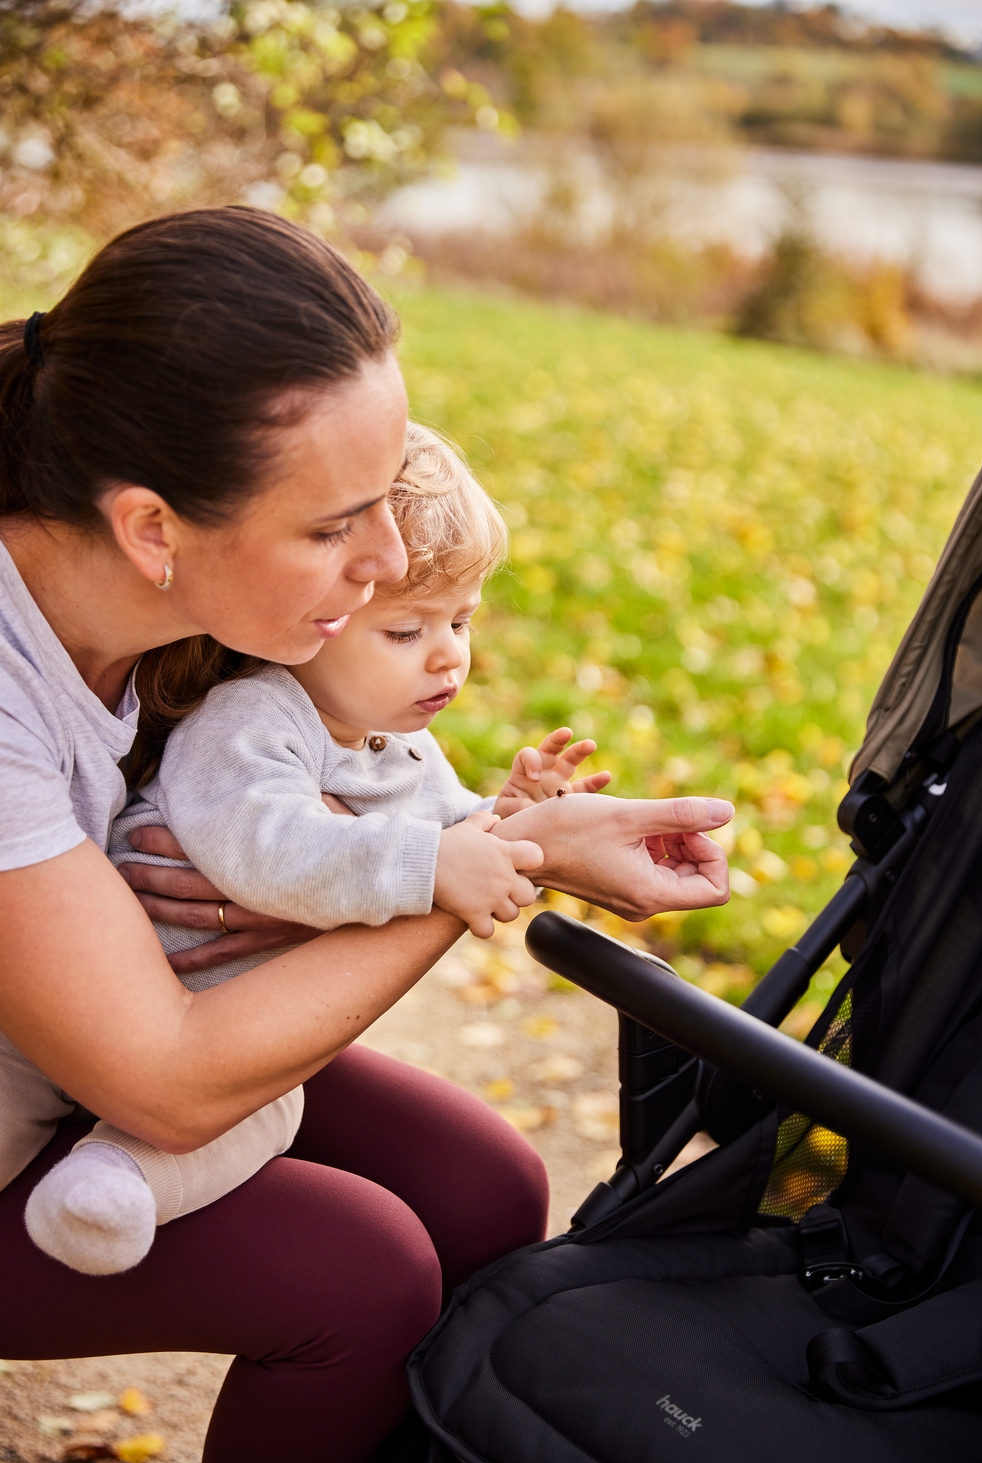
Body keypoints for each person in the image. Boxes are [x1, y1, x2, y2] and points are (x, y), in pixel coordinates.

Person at [0, 206, 733, 1463]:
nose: (388, 561)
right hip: (54, 1102)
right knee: (363, 1271)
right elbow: (165, 1081)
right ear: (154, 529)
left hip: (60, 1055)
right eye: (337, 527)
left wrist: (523, 833)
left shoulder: (162, 609)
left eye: (386, 504)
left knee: (486, 1187)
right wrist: (475, 875)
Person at [24, 420, 611, 1277]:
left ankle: (114, 1186)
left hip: (233, 1036)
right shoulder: (249, 719)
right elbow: (263, 850)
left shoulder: (401, 747)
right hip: (114, 1008)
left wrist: (519, 812)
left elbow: (453, 835)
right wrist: (431, 869)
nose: (449, 656)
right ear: (316, 621)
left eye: (463, 621)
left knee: (269, 1113)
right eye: (407, 633)